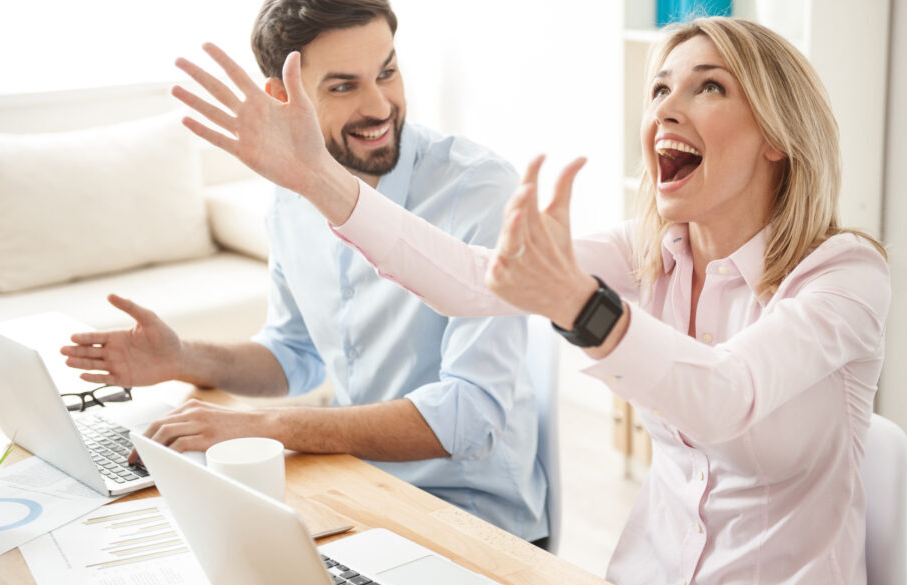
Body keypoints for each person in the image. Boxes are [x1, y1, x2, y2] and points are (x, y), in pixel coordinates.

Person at [164, 13, 890, 585]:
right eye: (659, 87)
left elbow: (727, 395)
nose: (666, 107)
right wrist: (318, 178)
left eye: (708, 86)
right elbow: (469, 278)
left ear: (777, 135)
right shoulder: (645, 256)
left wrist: (585, 309)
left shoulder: (843, 275)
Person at [61, 0, 549, 544]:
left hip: (470, 517)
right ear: (284, 100)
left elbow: (470, 415)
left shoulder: (478, 191)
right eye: (343, 87)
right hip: (353, 488)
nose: (379, 106)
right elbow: (295, 353)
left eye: (387, 72)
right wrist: (184, 358)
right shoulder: (290, 198)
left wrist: (267, 428)